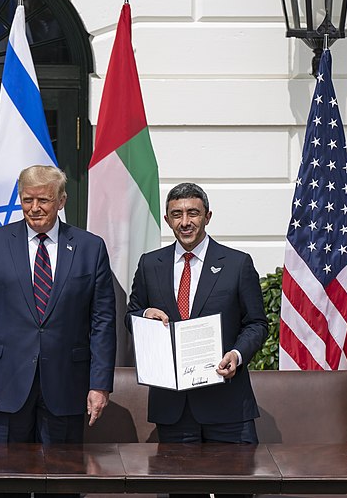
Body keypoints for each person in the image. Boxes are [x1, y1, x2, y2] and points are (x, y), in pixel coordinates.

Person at [0, 164, 116, 495]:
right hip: (4, 388)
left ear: (61, 201)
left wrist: (100, 384)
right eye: (27, 199)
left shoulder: (90, 247)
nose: (34, 208)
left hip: (67, 387)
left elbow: (103, 321)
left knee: (61, 485)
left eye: (43, 200)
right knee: (3, 485)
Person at [126, 182, 267, 498]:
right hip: (174, 409)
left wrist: (237, 354)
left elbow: (257, 324)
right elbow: (131, 314)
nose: (185, 221)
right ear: (167, 219)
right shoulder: (150, 264)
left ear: (208, 216)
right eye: (177, 214)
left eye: (193, 213)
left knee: (238, 492)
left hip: (228, 406)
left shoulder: (237, 263)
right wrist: (143, 314)